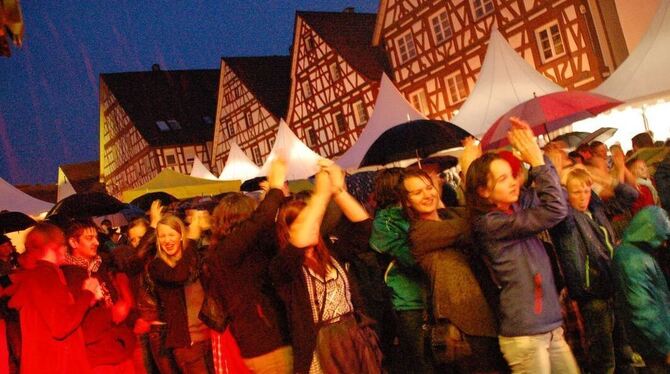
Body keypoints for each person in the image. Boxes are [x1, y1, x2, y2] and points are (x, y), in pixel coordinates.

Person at [465, 117, 579, 373]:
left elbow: (558, 199)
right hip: (526, 334)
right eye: (503, 178)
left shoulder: (516, 206)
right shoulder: (490, 223)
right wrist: (537, 161)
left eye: (513, 175)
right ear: (483, 190)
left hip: (550, 327)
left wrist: (535, 152)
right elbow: (554, 211)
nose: (514, 181)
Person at [271, 160, 382, 373]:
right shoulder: (284, 267)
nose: (312, 225)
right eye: (303, 223)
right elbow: (297, 247)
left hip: (353, 336)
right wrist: (321, 196)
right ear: (287, 231)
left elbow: (364, 228)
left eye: (315, 221)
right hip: (321, 348)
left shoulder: (331, 252)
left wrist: (338, 192)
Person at [402, 167, 506, 373]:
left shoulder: (450, 213)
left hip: (493, 314)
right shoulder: (419, 233)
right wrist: (470, 171)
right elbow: (475, 224)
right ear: (407, 202)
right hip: (464, 326)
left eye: (428, 187)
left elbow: (482, 214)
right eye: (417, 192)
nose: (427, 195)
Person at [207, 159, 292, 374]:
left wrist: (281, 198)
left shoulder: (235, 252)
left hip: (264, 342)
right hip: (266, 345)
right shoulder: (226, 252)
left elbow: (271, 228)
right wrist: (274, 191)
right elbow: (258, 224)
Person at [8, 222, 102, 373]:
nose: (66, 249)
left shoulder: (39, 276)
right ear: (53, 246)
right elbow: (61, 325)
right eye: (63, 244)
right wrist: (87, 293)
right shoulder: (45, 277)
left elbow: (52, 316)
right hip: (56, 365)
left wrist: (87, 301)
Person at [369, 168, 430, 373]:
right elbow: (411, 258)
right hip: (409, 300)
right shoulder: (385, 222)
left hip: (434, 295)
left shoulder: (415, 212)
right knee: (422, 361)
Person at [62, 219, 136, 373]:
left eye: (96, 237)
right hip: (98, 356)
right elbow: (81, 319)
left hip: (119, 347)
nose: (96, 242)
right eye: (89, 238)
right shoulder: (70, 276)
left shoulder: (100, 266)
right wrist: (112, 314)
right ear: (73, 242)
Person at [148, 213, 213, 373]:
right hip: (187, 344)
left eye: (171, 234)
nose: (167, 240)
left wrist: (208, 228)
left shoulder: (194, 258)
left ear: (180, 236)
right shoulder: (158, 266)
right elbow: (180, 275)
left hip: (210, 337)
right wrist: (191, 241)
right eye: (162, 236)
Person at [612, 206, 670, 373]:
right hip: (655, 344)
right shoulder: (633, 261)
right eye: (661, 238)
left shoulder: (635, 252)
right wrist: (666, 346)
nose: (664, 243)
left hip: (656, 337)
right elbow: (642, 310)